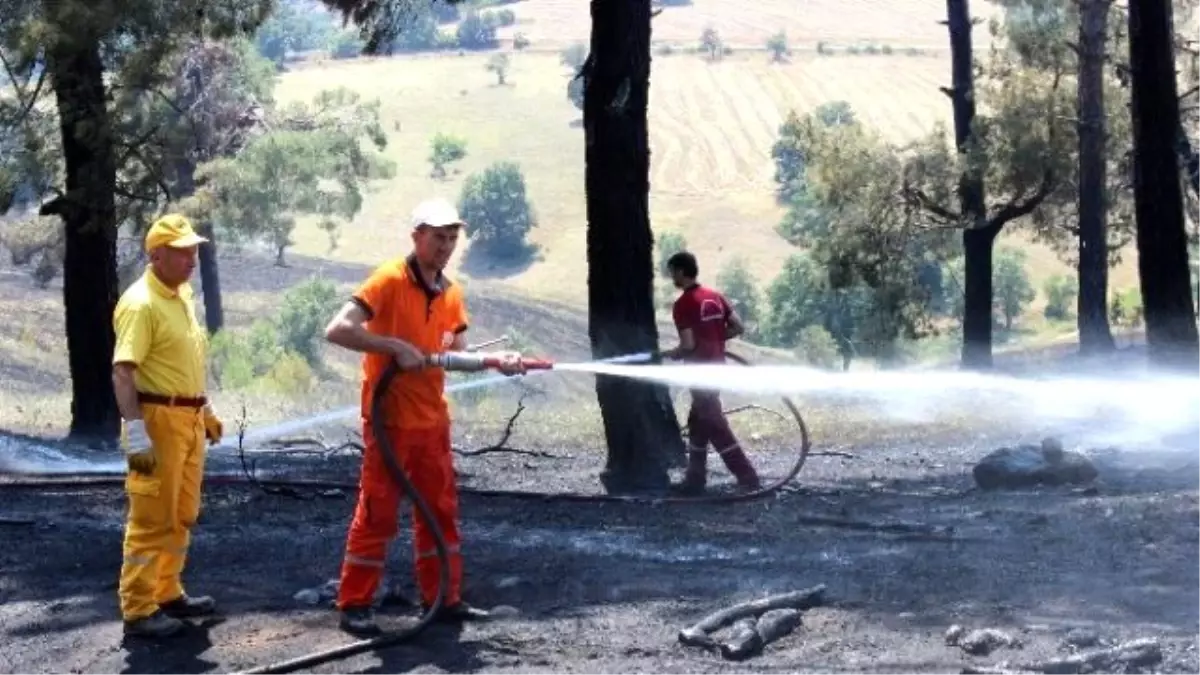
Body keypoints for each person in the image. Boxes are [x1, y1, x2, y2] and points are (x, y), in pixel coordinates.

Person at [323, 197, 525, 636]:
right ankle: (354, 603)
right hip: (389, 419)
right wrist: (394, 347)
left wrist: (500, 361)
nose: (446, 246)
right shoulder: (389, 280)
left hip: (432, 422)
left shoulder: (450, 293)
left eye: (452, 238)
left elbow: (459, 355)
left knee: (441, 511)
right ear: (417, 237)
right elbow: (337, 329)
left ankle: (444, 599)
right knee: (378, 511)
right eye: (438, 237)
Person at [112, 214, 225, 638]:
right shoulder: (141, 303)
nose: (191, 258)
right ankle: (139, 608)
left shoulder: (180, 296)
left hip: (188, 419)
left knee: (181, 512)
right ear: (156, 254)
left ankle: (167, 590)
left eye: (194, 249)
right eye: (181, 251)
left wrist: (205, 410)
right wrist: (136, 432)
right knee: (151, 516)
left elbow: (185, 364)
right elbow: (124, 373)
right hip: (157, 421)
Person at [660, 251, 762, 495]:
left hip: (699, 373)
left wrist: (673, 354)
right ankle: (695, 480)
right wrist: (716, 339)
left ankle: (748, 478)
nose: (671, 276)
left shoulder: (683, 305)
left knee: (716, 426)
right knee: (698, 422)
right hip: (717, 369)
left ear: (682, 272)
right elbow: (738, 326)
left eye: (673, 271)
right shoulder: (715, 296)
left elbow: (687, 346)